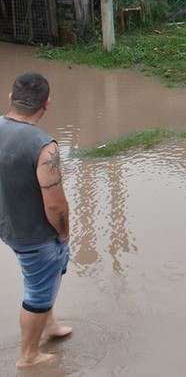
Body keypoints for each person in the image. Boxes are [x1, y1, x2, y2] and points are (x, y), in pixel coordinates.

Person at [0, 72, 72, 368]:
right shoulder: (44, 147)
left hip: (8, 225)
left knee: (46, 275)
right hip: (36, 234)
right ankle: (28, 355)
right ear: (47, 103)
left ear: (10, 98)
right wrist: (64, 234)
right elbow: (55, 205)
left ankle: (49, 325)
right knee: (38, 291)